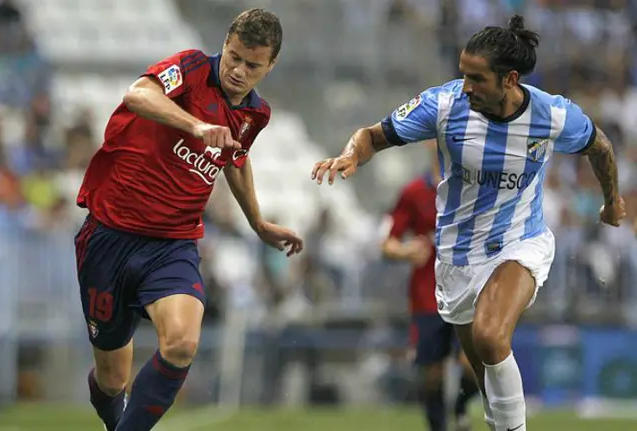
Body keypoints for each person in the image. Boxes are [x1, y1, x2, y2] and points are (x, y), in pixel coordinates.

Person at [313, 15, 625, 431]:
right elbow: (373, 135)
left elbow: (600, 147)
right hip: (458, 256)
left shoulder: (551, 115)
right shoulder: (444, 105)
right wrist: (351, 154)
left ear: (509, 79)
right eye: (463, 75)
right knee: (486, 381)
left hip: (520, 241)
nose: (466, 86)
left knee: (491, 335)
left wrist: (611, 200)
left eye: (476, 78)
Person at [74, 8, 303, 431]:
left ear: (270, 66)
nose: (238, 70)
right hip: (109, 236)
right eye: (234, 56)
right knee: (112, 380)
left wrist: (258, 223)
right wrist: (195, 125)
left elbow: (235, 158)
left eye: (252, 65)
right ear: (226, 44)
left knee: (181, 344)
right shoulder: (193, 68)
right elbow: (137, 95)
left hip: (172, 244)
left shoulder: (256, 114)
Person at [381, 140, 479, 431]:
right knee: (431, 374)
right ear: (428, 143)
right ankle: (439, 426)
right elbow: (387, 242)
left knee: (473, 365)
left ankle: (461, 406)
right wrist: (405, 251)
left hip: (468, 293)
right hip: (427, 297)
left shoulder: (473, 188)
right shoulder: (413, 193)